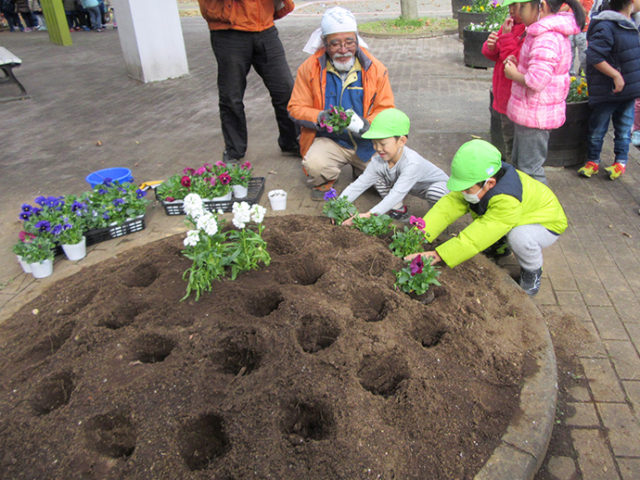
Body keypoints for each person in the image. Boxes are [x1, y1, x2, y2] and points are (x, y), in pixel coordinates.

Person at [405, 140, 567, 296]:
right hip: (516, 216)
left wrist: (439, 255)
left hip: (545, 223)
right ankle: (500, 246)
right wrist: (418, 235)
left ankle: (532, 271)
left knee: (519, 237)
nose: (463, 193)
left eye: (467, 189)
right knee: (496, 225)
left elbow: (480, 234)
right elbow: (445, 209)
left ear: (489, 183)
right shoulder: (477, 179)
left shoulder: (506, 200)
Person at [288, 7, 395, 200]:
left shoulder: (375, 69)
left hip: (367, 143)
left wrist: (367, 123)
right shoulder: (309, 69)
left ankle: (360, 170)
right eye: (335, 44)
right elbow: (295, 108)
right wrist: (319, 117)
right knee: (315, 165)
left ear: (357, 41)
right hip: (330, 140)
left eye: (349, 42)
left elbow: (386, 108)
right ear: (325, 44)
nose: (343, 50)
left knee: (389, 179)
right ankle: (325, 181)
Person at [196, 0, 299, 164]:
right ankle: (234, 150)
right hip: (229, 30)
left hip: (265, 27)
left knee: (285, 89)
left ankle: (291, 141)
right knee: (231, 95)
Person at [503, 0, 586, 184]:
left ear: (542, 5)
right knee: (521, 165)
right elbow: (539, 69)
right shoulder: (540, 33)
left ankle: (542, 210)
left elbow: (537, 80)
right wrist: (518, 66)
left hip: (535, 115)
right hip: (530, 112)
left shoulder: (546, 37)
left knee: (530, 170)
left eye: (523, 7)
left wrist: (514, 75)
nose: (520, 12)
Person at [339, 108, 449, 222]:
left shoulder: (412, 163)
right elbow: (359, 185)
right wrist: (338, 205)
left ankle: (437, 219)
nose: (378, 148)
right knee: (377, 177)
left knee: (435, 192)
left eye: (382, 143)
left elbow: (396, 194)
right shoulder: (378, 161)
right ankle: (399, 210)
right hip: (411, 187)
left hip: (440, 188)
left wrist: (368, 215)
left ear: (401, 141)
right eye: (374, 143)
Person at [577, 0, 640, 180]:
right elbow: (594, 55)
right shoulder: (606, 25)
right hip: (607, 91)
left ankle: (620, 162)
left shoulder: (635, 23)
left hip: (629, 91)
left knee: (624, 130)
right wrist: (615, 75)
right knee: (598, 129)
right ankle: (593, 161)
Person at [481, 1, 526, 162]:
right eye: (509, 7)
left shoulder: (529, 30)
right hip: (503, 97)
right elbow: (494, 55)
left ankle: (516, 173)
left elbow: (514, 61)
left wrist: (506, 37)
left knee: (517, 144)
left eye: (516, 6)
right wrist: (491, 46)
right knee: (507, 140)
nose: (511, 11)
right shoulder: (509, 25)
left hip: (516, 98)